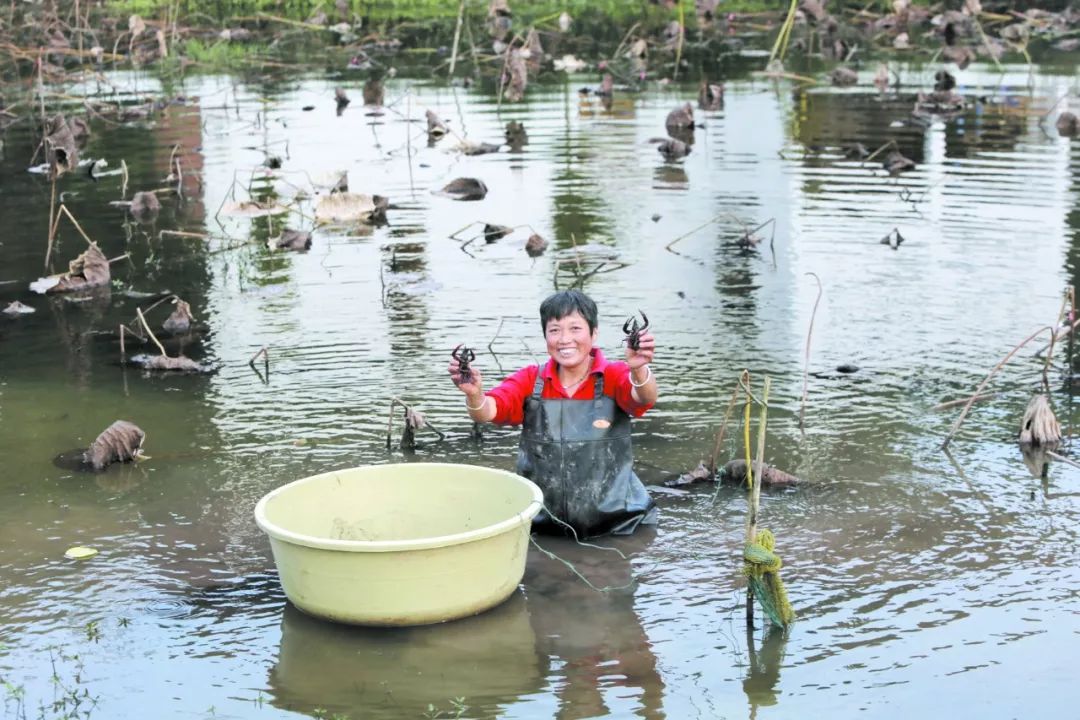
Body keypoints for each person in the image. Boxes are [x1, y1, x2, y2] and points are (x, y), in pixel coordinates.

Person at [448, 290, 658, 537]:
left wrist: (640, 369)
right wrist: (474, 395)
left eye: (575, 328)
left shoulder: (614, 375)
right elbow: (488, 411)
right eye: (555, 330)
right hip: (543, 524)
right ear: (545, 336)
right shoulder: (530, 380)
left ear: (594, 332)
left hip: (620, 525)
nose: (564, 339)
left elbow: (644, 397)